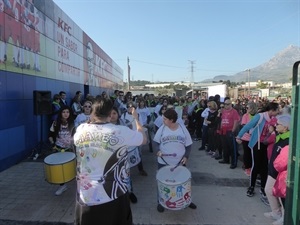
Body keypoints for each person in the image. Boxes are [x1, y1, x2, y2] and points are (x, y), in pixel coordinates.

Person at [74, 98, 147, 225]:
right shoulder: (120, 131)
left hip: (86, 195)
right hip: (114, 195)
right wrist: (136, 118)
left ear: (92, 113)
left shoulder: (80, 130)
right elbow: (143, 139)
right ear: (109, 115)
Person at [153, 108, 197, 212]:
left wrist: (186, 157)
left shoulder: (182, 129)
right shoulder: (162, 129)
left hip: (179, 163)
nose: (163, 121)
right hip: (163, 162)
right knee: (162, 183)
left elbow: (189, 145)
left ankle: (186, 201)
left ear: (172, 120)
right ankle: (161, 201)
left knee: (183, 183)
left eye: (165, 119)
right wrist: (158, 151)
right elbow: (155, 143)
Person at [236, 102, 280, 197]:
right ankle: (251, 186)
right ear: (272, 110)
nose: (278, 112)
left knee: (265, 166)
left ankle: (263, 187)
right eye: (277, 110)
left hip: (267, 144)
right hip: (257, 143)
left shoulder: (275, 119)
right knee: (256, 165)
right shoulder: (260, 116)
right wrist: (239, 136)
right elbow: (247, 126)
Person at [264, 115, 290, 223]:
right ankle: (276, 212)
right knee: (269, 190)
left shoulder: (288, 140)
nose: (275, 125)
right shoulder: (280, 136)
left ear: (285, 127)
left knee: (280, 194)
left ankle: (283, 216)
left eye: (278, 124)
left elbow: (283, 159)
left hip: (279, 172)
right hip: (273, 170)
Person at [109, 106, 138, 204]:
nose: (112, 116)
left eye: (114, 113)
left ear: (118, 114)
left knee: (126, 175)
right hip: (110, 157)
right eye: (110, 114)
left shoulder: (124, 123)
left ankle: (130, 192)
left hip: (123, 155)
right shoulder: (104, 126)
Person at [48, 105, 75, 196]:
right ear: (60, 113)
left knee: (74, 167)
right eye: (64, 112)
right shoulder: (55, 123)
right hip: (59, 148)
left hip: (70, 149)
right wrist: (53, 144)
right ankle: (63, 186)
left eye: (67, 112)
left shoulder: (73, 123)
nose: (66, 114)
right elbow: (50, 135)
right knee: (60, 168)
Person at [218, 98, 240, 169]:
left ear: (231, 104)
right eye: (225, 104)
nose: (226, 106)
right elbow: (222, 119)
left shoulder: (234, 111)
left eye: (227, 104)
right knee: (225, 146)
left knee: (232, 148)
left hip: (230, 131)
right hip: (223, 130)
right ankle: (226, 159)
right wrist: (221, 128)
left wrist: (233, 130)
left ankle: (234, 162)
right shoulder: (223, 111)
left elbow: (236, 121)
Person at [239, 101, 258, 176]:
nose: (246, 109)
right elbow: (244, 126)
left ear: (252, 108)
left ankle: (253, 168)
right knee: (247, 154)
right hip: (246, 138)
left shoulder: (257, 115)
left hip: (255, 138)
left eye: (248, 108)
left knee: (254, 154)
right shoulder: (245, 116)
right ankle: (247, 168)